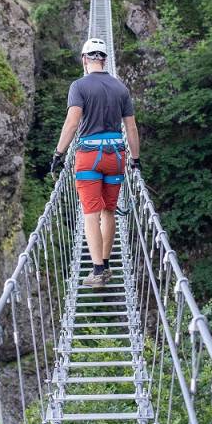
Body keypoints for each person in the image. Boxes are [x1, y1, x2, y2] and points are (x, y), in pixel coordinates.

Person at [49, 38, 142, 288]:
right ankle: (107, 264)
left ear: (84, 59)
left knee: (90, 214)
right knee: (109, 211)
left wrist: (59, 154)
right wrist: (135, 160)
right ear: (105, 60)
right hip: (116, 156)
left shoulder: (79, 86)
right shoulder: (120, 88)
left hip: (89, 156)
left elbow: (72, 122)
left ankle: (97, 271)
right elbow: (131, 127)